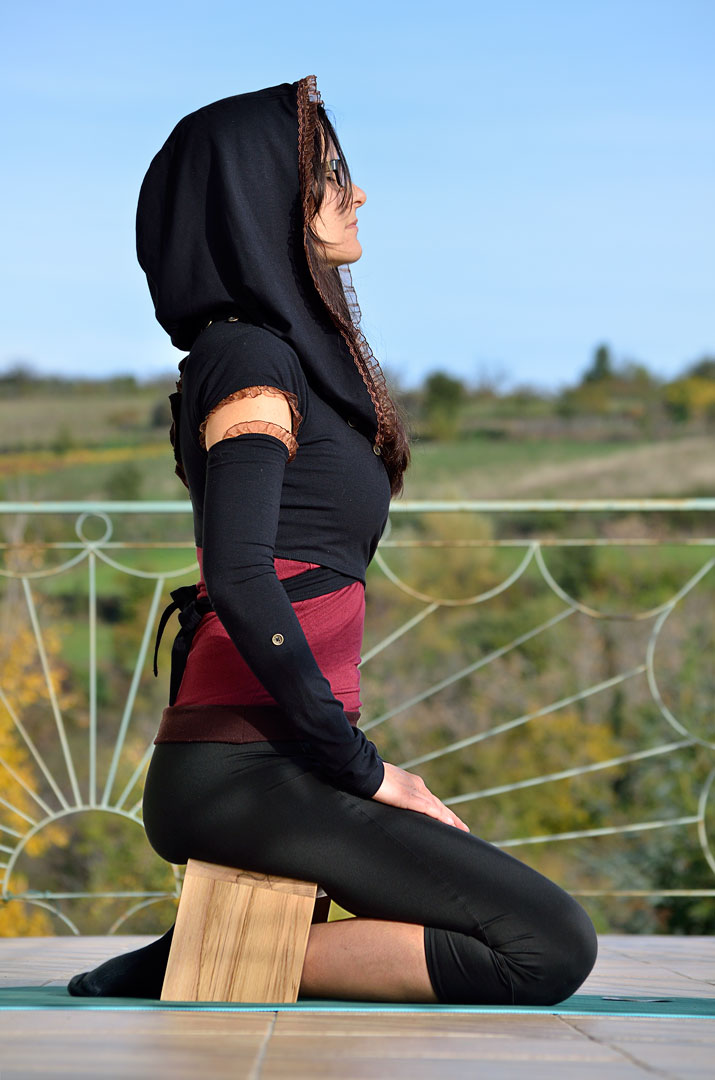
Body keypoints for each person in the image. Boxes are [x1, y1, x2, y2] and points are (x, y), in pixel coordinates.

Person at [68, 75, 597, 1004]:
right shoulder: (249, 357)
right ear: (261, 197)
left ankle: (194, 953)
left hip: (285, 759)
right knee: (544, 948)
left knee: (524, 929)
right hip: (238, 771)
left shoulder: (281, 358)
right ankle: (199, 962)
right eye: (327, 176)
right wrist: (364, 770)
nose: (355, 194)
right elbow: (241, 574)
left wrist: (345, 760)